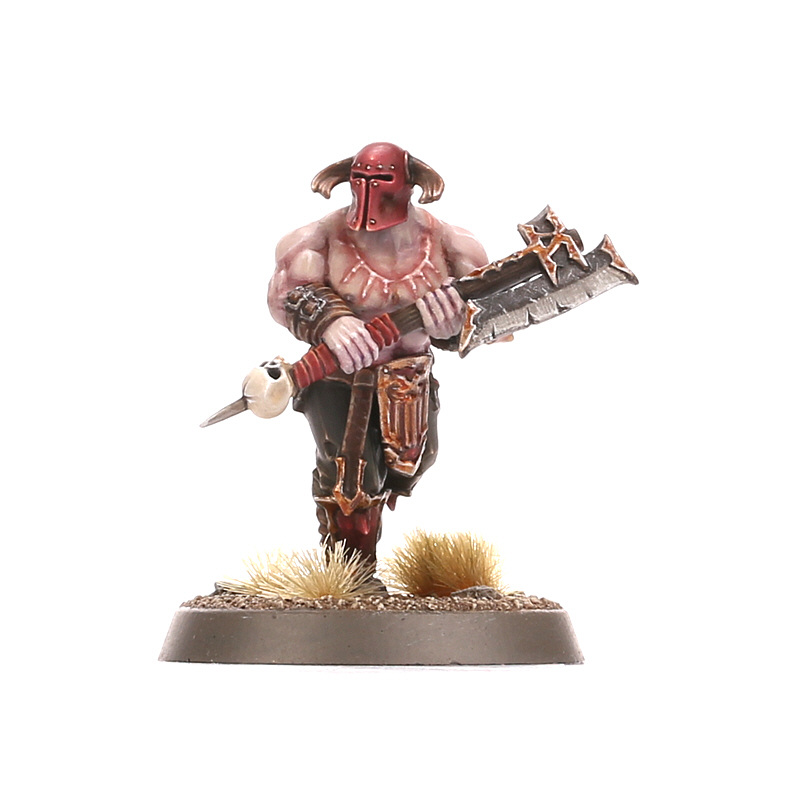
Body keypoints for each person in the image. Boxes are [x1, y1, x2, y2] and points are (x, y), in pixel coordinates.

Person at [267, 142, 488, 575]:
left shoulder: (451, 243)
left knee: (414, 462)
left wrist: (452, 325)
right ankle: (352, 578)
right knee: (351, 479)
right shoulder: (316, 239)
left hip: (410, 378)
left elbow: (488, 318)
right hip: (339, 379)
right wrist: (329, 319)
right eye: (361, 179)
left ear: (410, 183)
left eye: (382, 179)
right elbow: (285, 295)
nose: (370, 190)